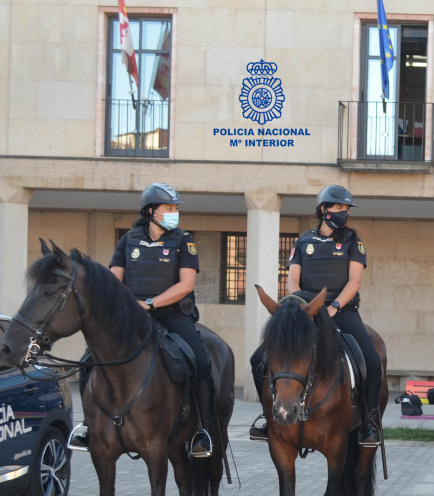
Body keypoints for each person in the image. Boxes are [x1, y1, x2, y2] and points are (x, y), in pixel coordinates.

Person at [68, 182, 215, 458]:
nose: (174, 213)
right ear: (151, 211)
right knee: (90, 359)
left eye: (175, 208)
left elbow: (185, 285)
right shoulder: (128, 240)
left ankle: (202, 431)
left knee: (201, 361)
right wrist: (128, 305)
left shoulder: (184, 240)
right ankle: (88, 425)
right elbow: (114, 281)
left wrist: (150, 303)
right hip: (132, 315)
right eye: (168, 208)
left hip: (171, 313)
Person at [248, 184, 383, 446]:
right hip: (305, 314)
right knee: (258, 360)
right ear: (323, 210)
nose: (344, 212)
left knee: (372, 362)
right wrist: (301, 309)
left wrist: (334, 307)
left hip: (341, 311)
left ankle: (369, 422)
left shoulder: (353, 241)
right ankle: (269, 418)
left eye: (346, 208)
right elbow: (293, 280)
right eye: (338, 207)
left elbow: (354, 281)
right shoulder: (303, 241)